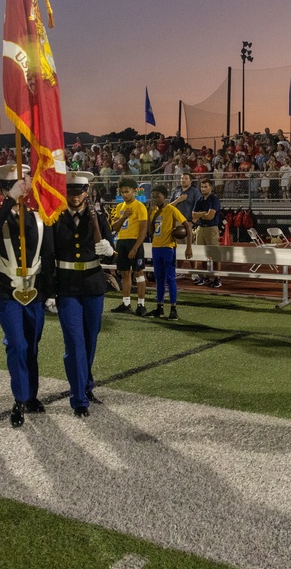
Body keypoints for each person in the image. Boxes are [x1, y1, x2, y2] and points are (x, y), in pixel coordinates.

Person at [0, 164, 54, 428]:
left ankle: (31, 394)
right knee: (17, 345)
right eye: (8, 187)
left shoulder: (38, 216)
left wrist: (50, 293)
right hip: (7, 290)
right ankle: (19, 398)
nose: (15, 190)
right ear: (2, 190)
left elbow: (47, 256)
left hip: (35, 292)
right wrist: (9, 200)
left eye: (19, 186)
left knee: (32, 346)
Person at [53, 171, 114, 417]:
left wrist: (109, 248)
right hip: (66, 286)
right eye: (70, 191)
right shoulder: (55, 218)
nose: (75, 196)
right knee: (75, 342)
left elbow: (110, 248)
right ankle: (78, 398)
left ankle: (86, 383)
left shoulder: (98, 217)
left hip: (92, 285)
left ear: (87, 192)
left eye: (79, 192)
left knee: (90, 340)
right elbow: (49, 254)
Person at [146, 184, 193, 320]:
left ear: (164, 197)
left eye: (157, 196)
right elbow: (150, 232)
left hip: (168, 248)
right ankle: (159, 307)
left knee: (170, 278)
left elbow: (187, 227)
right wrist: (150, 214)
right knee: (159, 279)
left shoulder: (171, 209)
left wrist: (188, 247)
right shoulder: (153, 212)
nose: (154, 199)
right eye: (153, 197)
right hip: (156, 248)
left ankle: (173, 308)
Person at [110, 177, 149, 315]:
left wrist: (135, 248)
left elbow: (143, 230)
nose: (124, 194)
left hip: (134, 242)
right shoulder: (120, 207)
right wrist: (124, 217)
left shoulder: (140, 206)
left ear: (134, 191)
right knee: (125, 273)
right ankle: (126, 303)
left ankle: (141, 305)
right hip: (121, 241)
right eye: (122, 192)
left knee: (139, 274)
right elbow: (114, 227)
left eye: (127, 191)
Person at [192, 178, 223, 288]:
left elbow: (210, 216)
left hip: (211, 228)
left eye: (205, 186)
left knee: (214, 253)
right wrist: (203, 213)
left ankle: (217, 277)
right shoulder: (199, 200)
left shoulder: (214, 199)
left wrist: (200, 214)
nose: (203, 188)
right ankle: (205, 276)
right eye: (202, 187)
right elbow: (193, 215)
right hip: (201, 228)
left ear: (211, 187)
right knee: (201, 253)